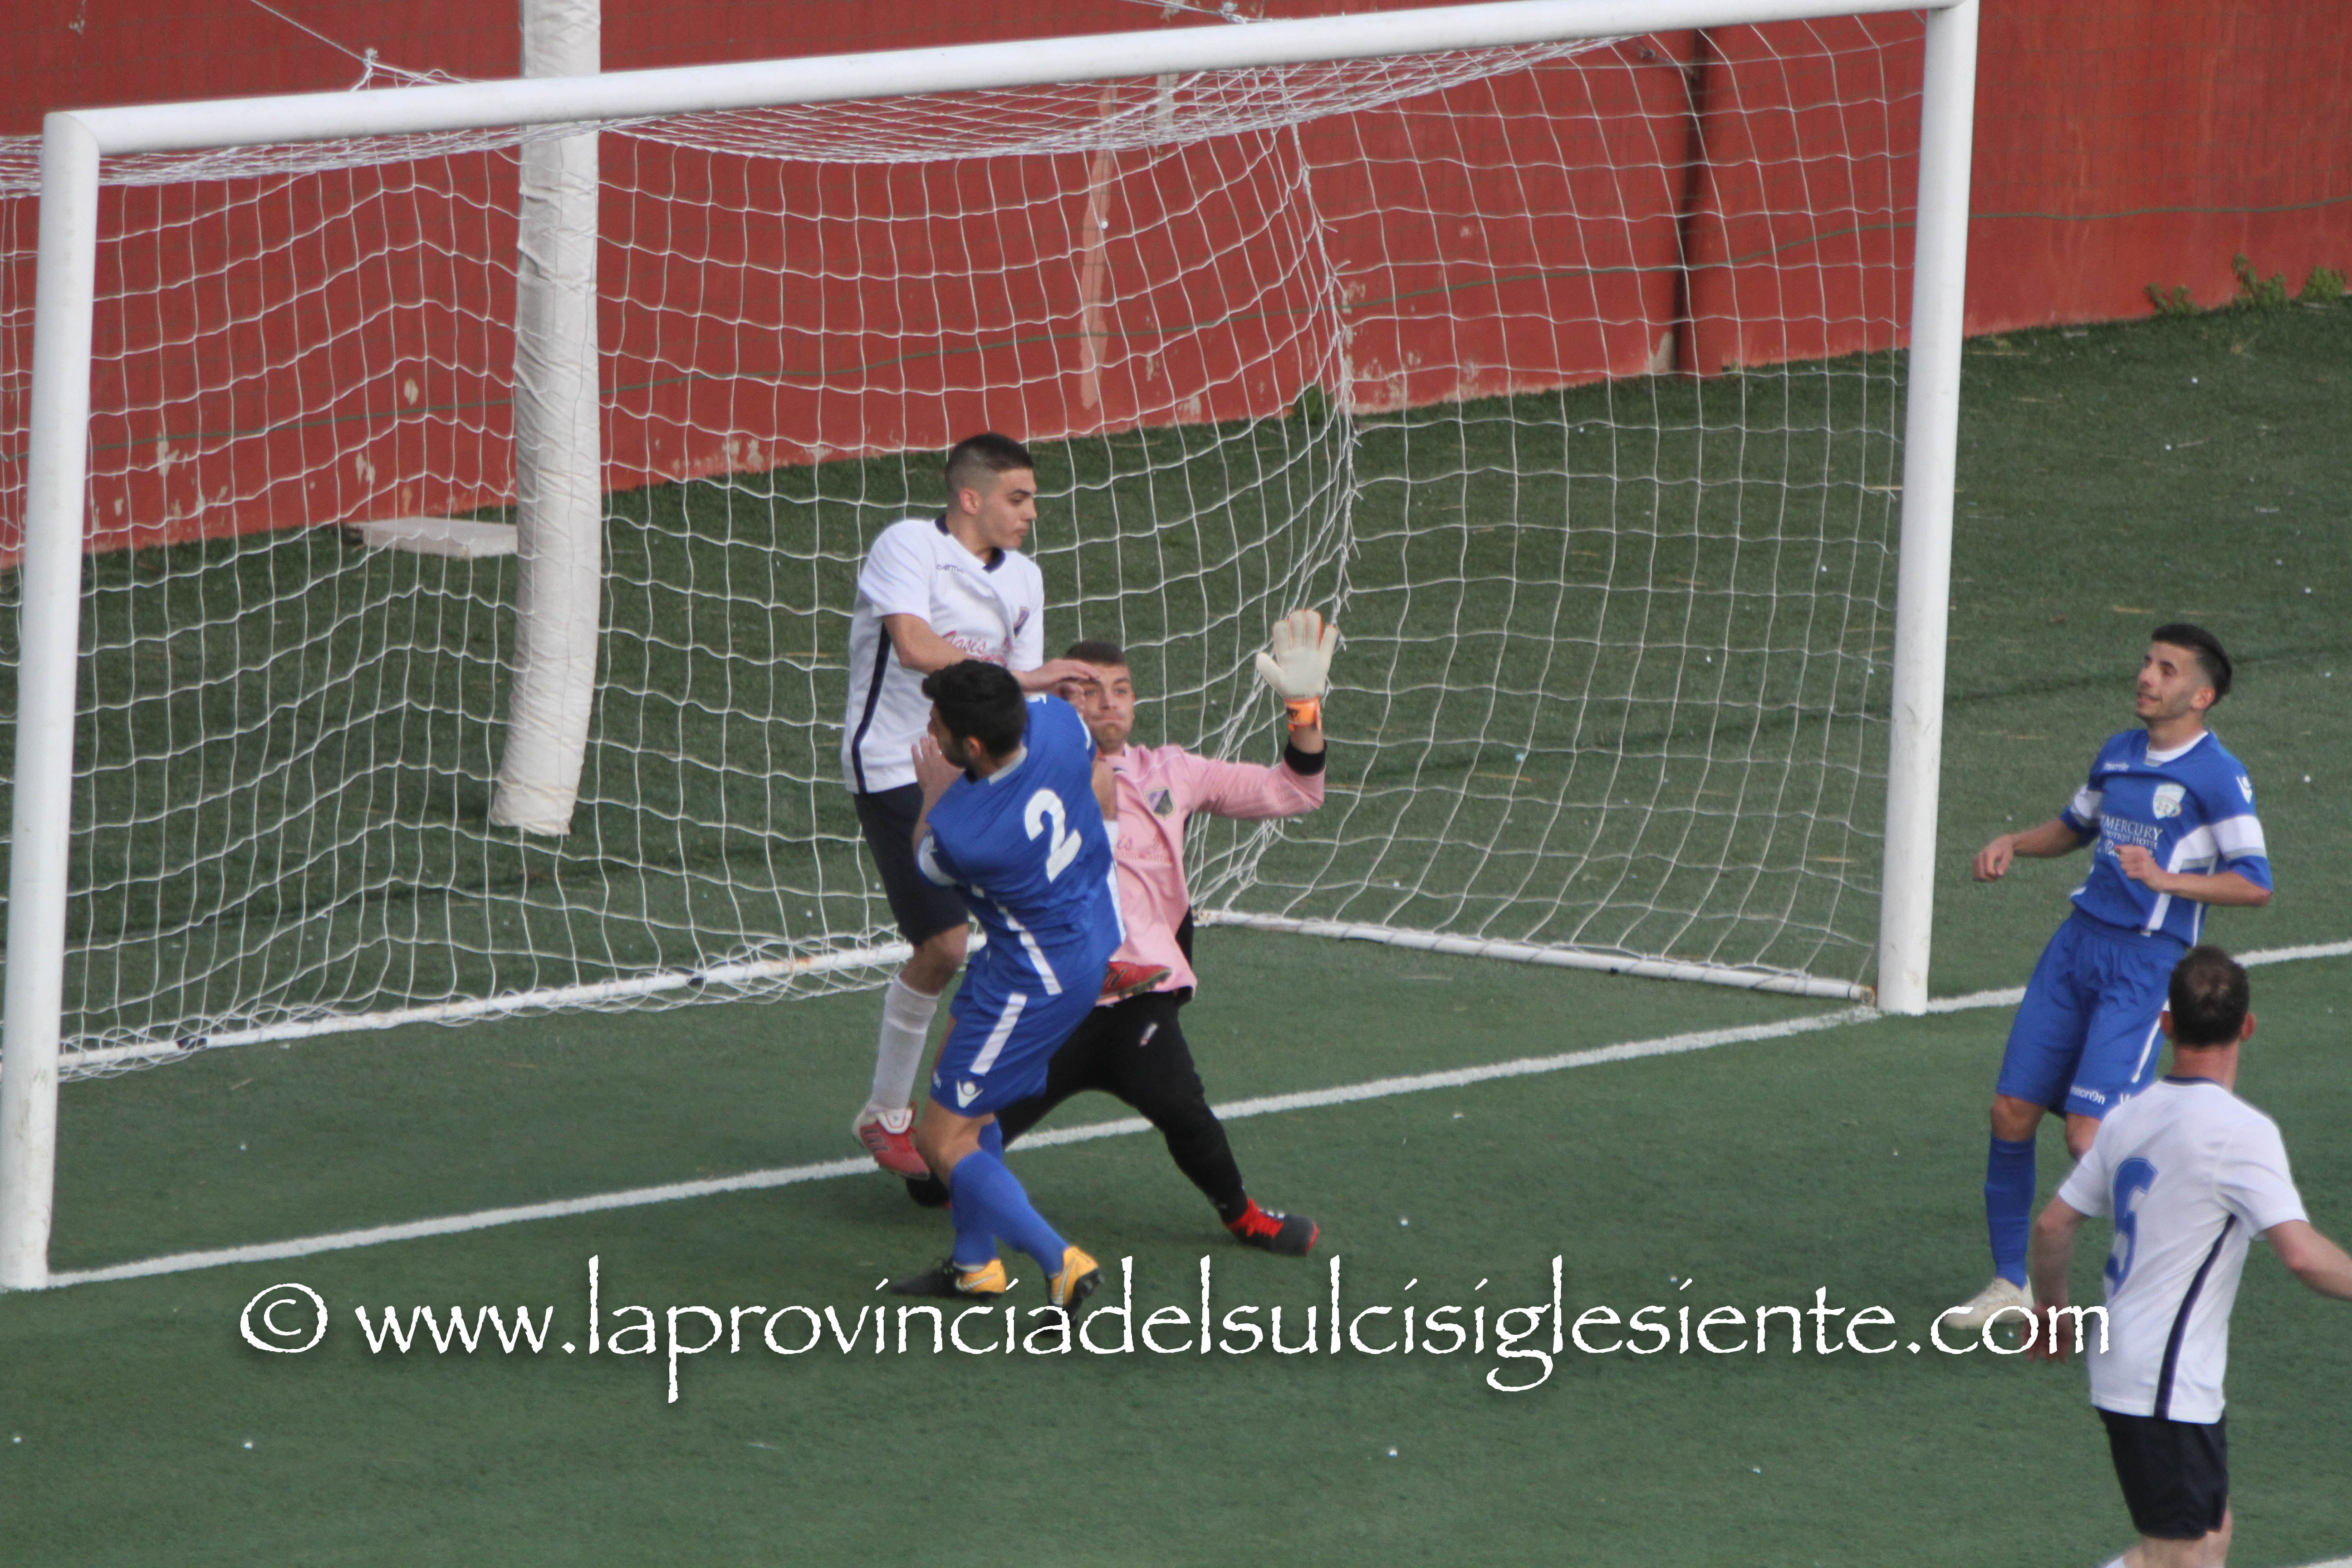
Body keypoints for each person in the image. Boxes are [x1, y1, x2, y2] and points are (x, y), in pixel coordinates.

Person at [901, 610, 1338, 1256]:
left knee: (1180, 1104)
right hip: (1050, 1006)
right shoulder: (1018, 777)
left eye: (1121, 688)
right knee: (931, 1180)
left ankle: (1244, 1215)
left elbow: (1296, 792)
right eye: (1087, 689)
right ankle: (985, 1245)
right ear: (1054, 702)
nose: (1107, 702)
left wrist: (1303, 711)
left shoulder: (1173, 773)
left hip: (1137, 997)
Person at [1947, 626, 2271, 1331]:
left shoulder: (2218, 776)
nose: (2147, 677)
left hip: (2145, 964)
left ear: (2202, 696)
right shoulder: (2119, 753)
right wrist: (2014, 843)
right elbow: (2075, 824)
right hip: (2074, 950)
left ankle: (2172, 1275)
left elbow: (2255, 884)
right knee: (2010, 1113)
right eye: (2148, 663)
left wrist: (2167, 879)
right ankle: (2010, 1284)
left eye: (2167, 669)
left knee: (2088, 1138)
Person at [837, 433, 1141, 1177]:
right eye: (1018, 498)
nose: (1031, 512)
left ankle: (1104, 948)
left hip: (982, 758)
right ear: (970, 498)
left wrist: (1058, 728)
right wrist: (1026, 680)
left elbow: (1022, 696)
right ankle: (885, 1111)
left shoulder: (1026, 577)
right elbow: (915, 647)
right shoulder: (909, 546)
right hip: (901, 764)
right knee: (945, 947)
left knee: (1090, 786)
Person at [2028, 947, 2352, 1568]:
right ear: (2247, 1027)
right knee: (2178, 1557)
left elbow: (2052, 1225)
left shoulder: (2126, 1119)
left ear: (2167, 1024)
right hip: (2163, 1379)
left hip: (2141, 1369)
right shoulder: (2240, 1132)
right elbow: (2302, 1255)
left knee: (2209, 1534)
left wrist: (2052, 1308)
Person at [887, 661, 1125, 1313]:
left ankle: (1061, 1263)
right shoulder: (1060, 723)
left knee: (940, 1141)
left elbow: (925, 857)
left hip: (1035, 980)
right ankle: (975, 1266)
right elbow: (1081, 758)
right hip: (1073, 934)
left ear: (971, 746)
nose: (929, 729)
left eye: (937, 725)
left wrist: (933, 794)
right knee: (972, 1104)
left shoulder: (964, 833)